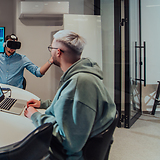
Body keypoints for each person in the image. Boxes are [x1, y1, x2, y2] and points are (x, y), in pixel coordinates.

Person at [24, 30, 116, 160]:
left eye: (51, 48)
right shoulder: (85, 76)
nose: (51, 51)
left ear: (58, 52)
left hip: (67, 156)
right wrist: (43, 104)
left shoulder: (78, 83)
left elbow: (69, 142)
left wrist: (35, 116)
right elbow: (70, 105)